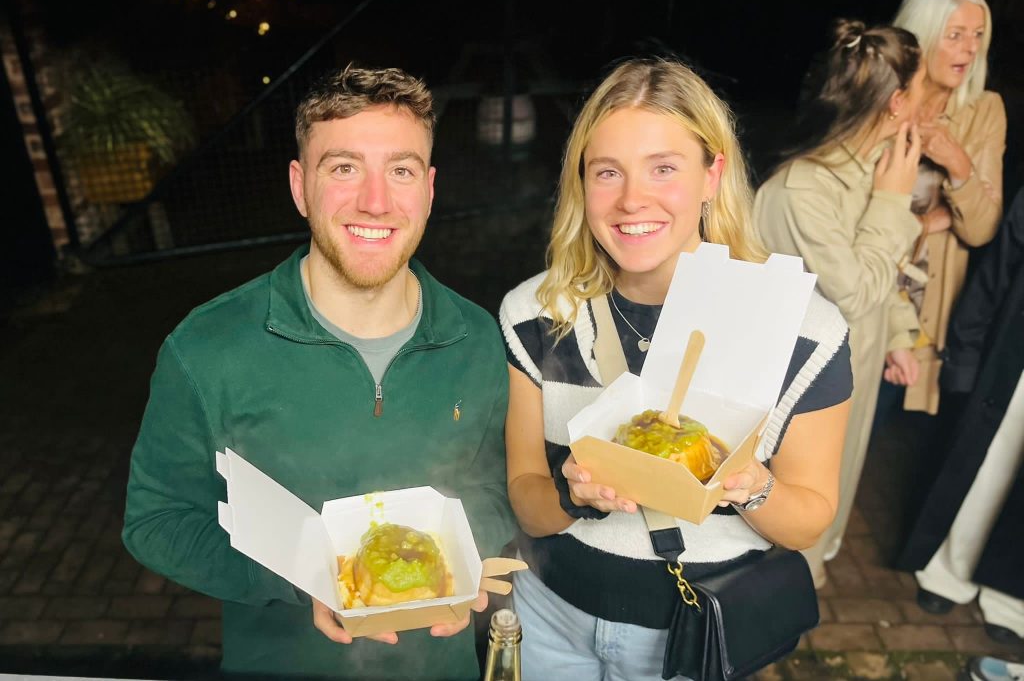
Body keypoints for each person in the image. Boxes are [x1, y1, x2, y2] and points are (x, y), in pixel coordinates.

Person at [122, 65, 516, 681]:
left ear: (430, 189)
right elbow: (157, 520)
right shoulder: (206, 348)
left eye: (401, 170)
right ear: (300, 186)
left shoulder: (476, 338)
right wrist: (302, 573)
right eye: (344, 167)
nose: (376, 201)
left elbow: (496, 488)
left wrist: (464, 553)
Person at [500, 58, 853, 680]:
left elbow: (809, 519)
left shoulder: (801, 329)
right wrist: (574, 494)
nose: (633, 199)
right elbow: (528, 503)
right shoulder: (535, 312)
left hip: (690, 635)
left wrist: (749, 482)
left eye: (664, 168)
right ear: (582, 183)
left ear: (712, 173)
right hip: (547, 616)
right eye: (607, 172)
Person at [753, 20, 927, 585]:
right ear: (900, 101)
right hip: (804, 388)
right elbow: (853, 291)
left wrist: (900, 332)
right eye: (919, 88)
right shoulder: (807, 188)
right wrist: (895, 202)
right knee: (797, 503)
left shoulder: (876, 165)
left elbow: (881, 272)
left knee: (835, 491)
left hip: (856, 365)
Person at [898, 187, 1024, 644]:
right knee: (991, 464)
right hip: (1016, 359)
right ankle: (951, 570)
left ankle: (1012, 598)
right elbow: (996, 275)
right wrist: (965, 358)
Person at [882, 0, 1005, 413]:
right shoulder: (880, 99)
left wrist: (958, 164)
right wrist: (925, 222)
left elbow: (983, 229)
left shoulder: (984, 110)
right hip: (856, 285)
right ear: (921, 35)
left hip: (919, 309)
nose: (970, 50)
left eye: (978, 36)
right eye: (955, 36)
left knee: (872, 422)